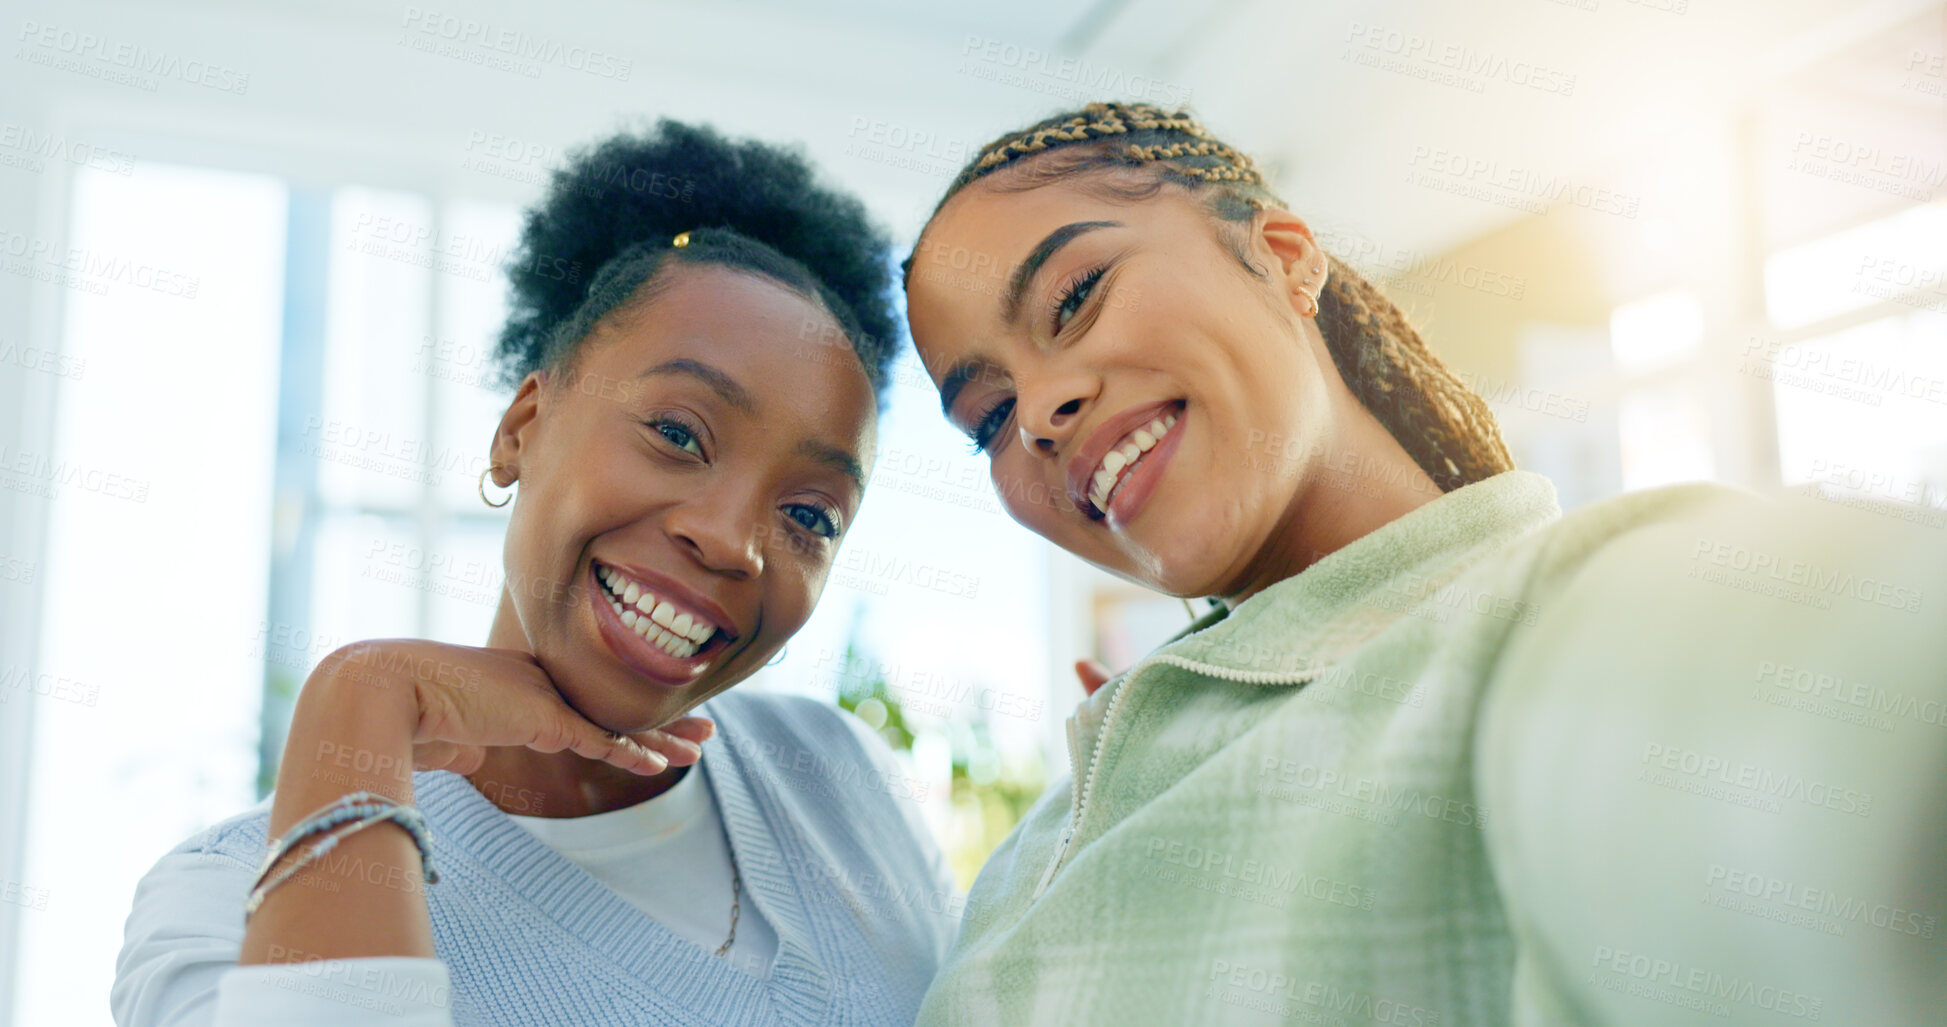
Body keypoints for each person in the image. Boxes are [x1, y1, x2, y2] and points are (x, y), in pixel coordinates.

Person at [900, 101, 1947, 1025]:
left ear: (1283, 254)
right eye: (988, 414)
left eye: (1076, 296)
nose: (1038, 412)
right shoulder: (1078, 798)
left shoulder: (1548, 632)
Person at [113, 120, 956, 1027]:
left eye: (808, 515)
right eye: (678, 433)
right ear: (521, 429)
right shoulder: (224, 897)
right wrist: (357, 700)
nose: (731, 542)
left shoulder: (837, 776)